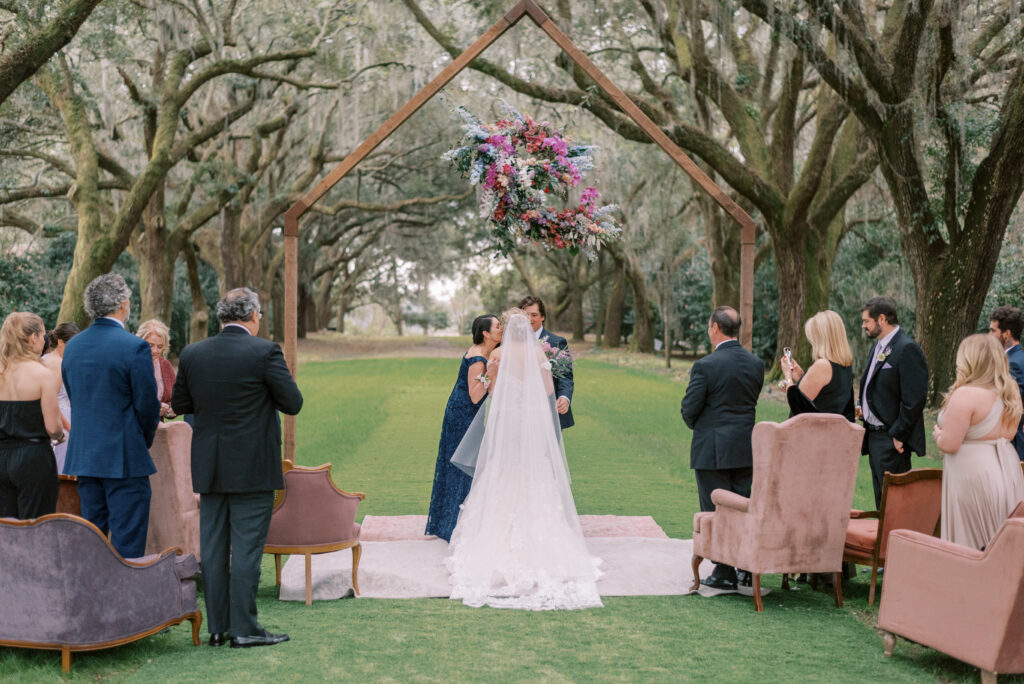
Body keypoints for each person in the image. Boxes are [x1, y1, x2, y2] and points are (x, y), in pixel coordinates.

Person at [172, 287, 302, 649]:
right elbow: (292, 402)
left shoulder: (193, 352)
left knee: (213, 548)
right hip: (252, 466)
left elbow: (182, 402)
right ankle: (244, 629)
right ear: (254, 315)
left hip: (210, 465)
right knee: (246, 549)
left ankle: (218, 628)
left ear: (221, 316)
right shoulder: (264, 352)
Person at [446, 311, 602, 610]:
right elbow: (546, 390)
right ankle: (545, 548)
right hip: (529, 420)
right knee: (532, 471)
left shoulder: (499, 354)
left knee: (503, 469)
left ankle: (493, 544)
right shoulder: (536, 352)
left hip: (506, 421)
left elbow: (489, 389)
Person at [62, 274, 161, 558]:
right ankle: (123, 602)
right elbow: (146, 406)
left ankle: (92, 600)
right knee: (128, 541)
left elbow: (75, 396)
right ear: (122, 304)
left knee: (92, 539)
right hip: (125, 459)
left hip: (86, 457)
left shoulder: (73, 347)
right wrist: (142, 440)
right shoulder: (134, 346)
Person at [680, 306, 764, 590]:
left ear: (715, 327)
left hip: (713, 449)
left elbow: (690, 408)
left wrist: (700, 426)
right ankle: (745, 567)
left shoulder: (706, 365)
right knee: (742, 507)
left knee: (716, 510)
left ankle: (725, 570)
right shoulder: (756, 364)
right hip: (745, 448)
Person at [932, 334, 1024, 550]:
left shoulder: (966, 394)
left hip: (972, 474)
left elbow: (949, 444)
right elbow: (1010, 435)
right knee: (999, 539)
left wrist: (938, 434)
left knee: (972, 541)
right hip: (1006, 468)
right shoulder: (1011, 393)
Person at [424, 314, 502, 541]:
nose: (501, 329)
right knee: (463, 464)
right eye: (498, 326)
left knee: (466, 464)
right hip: (462, 415)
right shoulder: (478, 357)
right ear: (486, 333)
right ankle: (453, 525)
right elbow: (475, 394)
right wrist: (490, 373)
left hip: (469, 413)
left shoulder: (486, 352)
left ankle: (450, 521)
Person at [858, 297, 928, 508]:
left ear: (882, 319)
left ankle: (895, 540)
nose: (863, 326)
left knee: (895, 505)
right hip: (874, 437)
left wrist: (899, 435)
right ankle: (883, 540)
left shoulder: (906, 348)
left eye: (866, 321)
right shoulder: (878, 347)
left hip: (892, 440)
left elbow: (914, 399)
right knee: (881, 501)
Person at [0, 312, 65, 518]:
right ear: (33, 337)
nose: (45, 340)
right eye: (44, 335)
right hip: (33, 457)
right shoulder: (42, 374)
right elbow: (53, 427)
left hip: (1, 457)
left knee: (5, 529)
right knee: (36, 527)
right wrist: (60, 436)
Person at [781, 310, 855, 421]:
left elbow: (799, 407)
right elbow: (826, 395)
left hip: (812, 432)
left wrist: (788, 377)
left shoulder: (823, 365)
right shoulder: (845, 365)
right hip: (831, 431)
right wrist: (801, 376)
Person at [518, 296, 574, 430]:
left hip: (548, 410)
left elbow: (565, 376)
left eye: (534, 315)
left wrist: (564, 398)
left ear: (542, 317)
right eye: (525, 315)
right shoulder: (512, 342)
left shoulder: (557, 342)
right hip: (518, 410)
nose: (529, 319)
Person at [41, 322, 79, 473]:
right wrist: (70, 428)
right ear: (61, 342)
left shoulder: (46, 358)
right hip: (62, 422)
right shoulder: (57, 363)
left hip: (59, 419)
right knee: (61, 470)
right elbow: (53, 401)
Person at [989, 305, 1024, 460]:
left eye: (992, 331)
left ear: (1006, 334)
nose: (989, 335)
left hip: (1013, 442)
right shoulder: (1018, 358)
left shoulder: (1012, 364)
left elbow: (1012, 406)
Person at [137, 319, 176, 420]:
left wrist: (167, 410)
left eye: (160, 347)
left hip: (158, 428)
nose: (155, 351)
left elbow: (175, 400)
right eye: (150, 345)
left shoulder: (165, 365)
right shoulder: (130, 364)